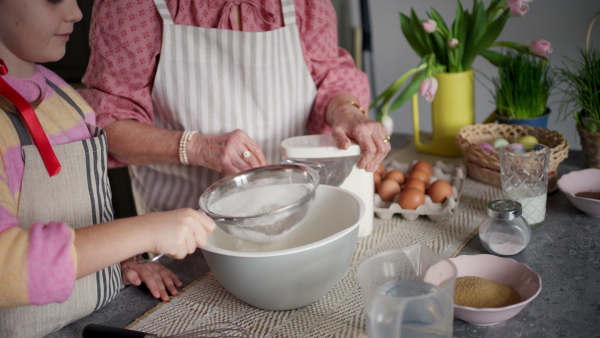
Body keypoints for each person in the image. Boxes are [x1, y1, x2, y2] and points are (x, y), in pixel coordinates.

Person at [0, 1, 216, 337]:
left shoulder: (64, 96)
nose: (75, 12)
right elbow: (5, 268)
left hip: (95, 316)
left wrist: (121, 260)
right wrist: (144, 231)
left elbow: (78, 212)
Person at [80, 0, 391, 216]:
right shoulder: (135, 6)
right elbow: (109, 126)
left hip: (293, 210)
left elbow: (329, 79)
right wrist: (197, 147)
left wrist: (348, 113)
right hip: (183, 232)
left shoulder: (302, 4)